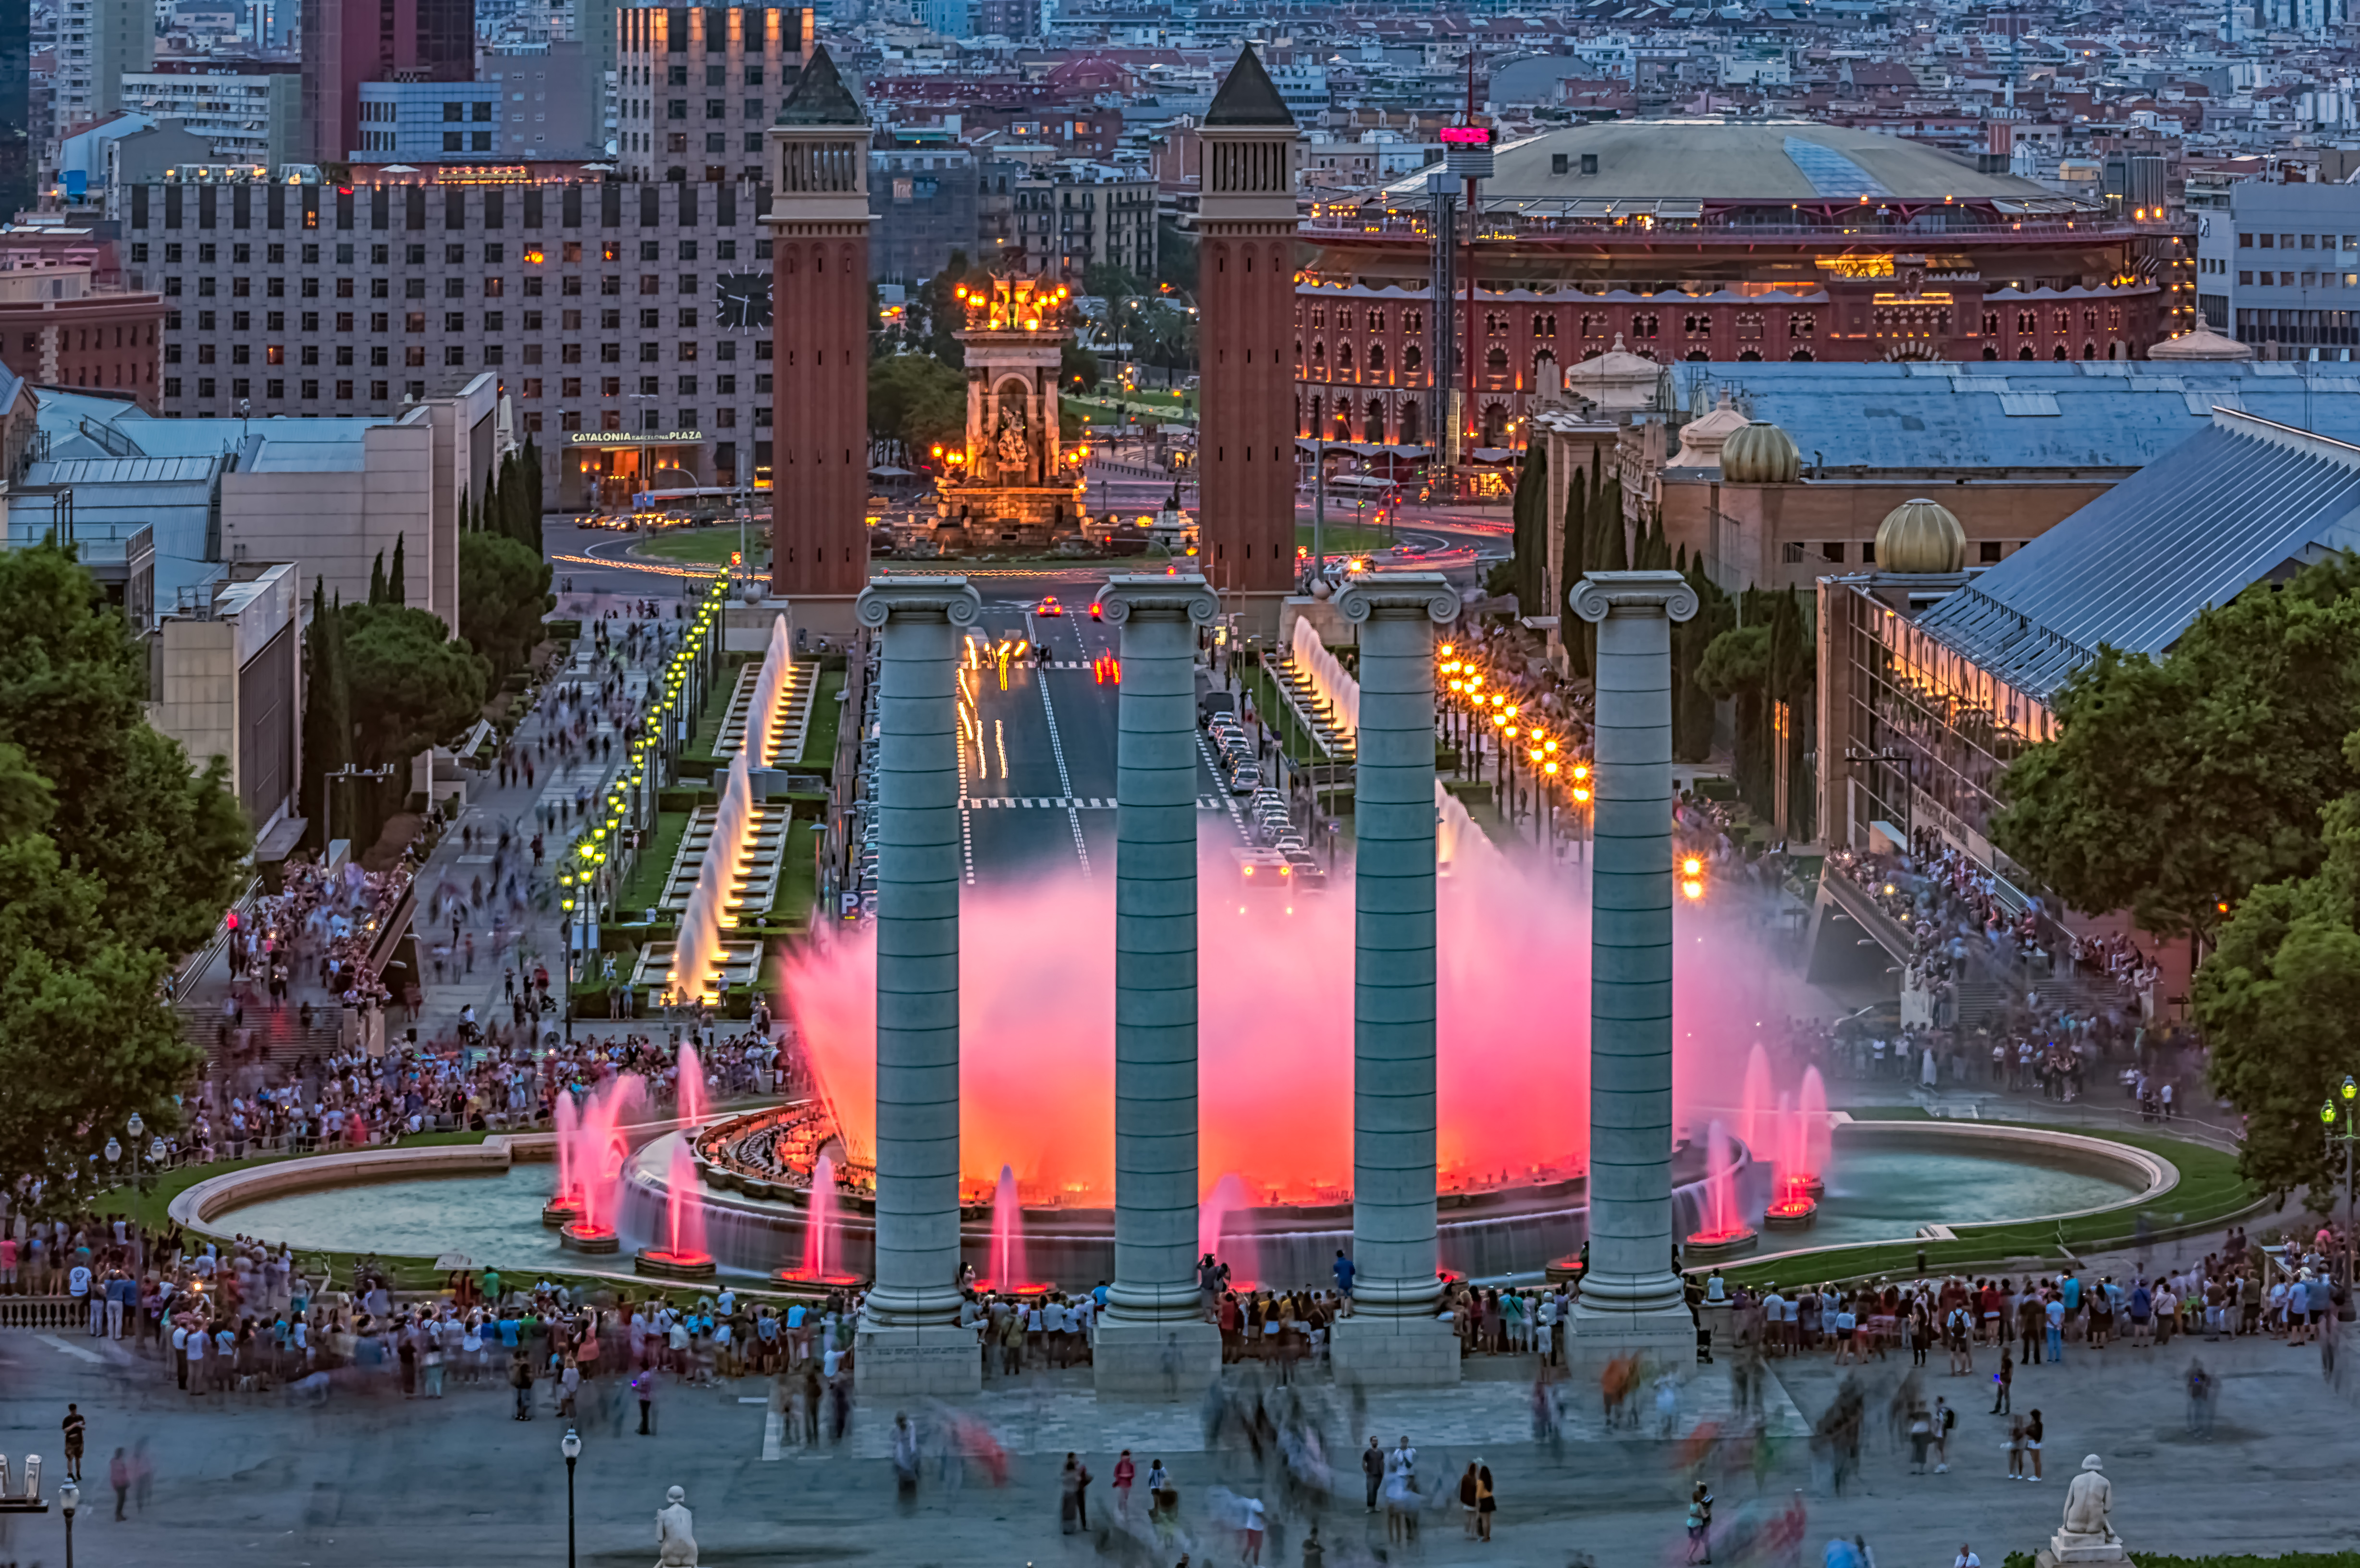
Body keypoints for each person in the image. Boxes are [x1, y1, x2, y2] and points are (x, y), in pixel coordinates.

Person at [61, 1403, 86, 1482]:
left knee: (78, 1457)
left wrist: (79, 1426)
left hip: (79, 1441)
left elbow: (84, 1427)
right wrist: (74, 1425)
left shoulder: (80, 1417)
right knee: (70, 1458)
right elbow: (65, 1430)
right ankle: (70, 1473)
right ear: (70, 1411)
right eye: (73, 1411)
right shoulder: (67, 1420)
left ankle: (78, 1473)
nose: (74, 1412)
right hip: (70, 1442)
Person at [1362, 1436, 1384, 1512]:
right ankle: (1369, 1507)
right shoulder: (1368, 1452)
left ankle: (1374, 1507)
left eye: (1376, 1441)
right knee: (1370, 1491)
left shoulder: (1380, 1452)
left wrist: (1382, 1473)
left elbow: (1382, 1463)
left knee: (1375, 1491)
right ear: (1371, 1442)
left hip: (1379, 1474)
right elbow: (1364, 1463)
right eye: (1374, 1441)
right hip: (1371, 1475)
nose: (1375, 1442)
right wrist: (1367, 1472)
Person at [109, 1446, 130, 1520]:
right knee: (121, 1500)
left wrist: (127, 1481)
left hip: (123, 1483)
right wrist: (114, 1483)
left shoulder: (120, 1461)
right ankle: (118, 1515)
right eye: (122, 1453)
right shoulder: (115, 1462)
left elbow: (125, 1473)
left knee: (123, 1499)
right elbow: (114, 1474)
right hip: (119, 1483)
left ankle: (120, 1514)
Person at [1114, 1449, 1136, 1519]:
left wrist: (1126, 1476)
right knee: (1121, 1498)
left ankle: (1124, 1511)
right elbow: (1116, 1474)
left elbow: (1133, 1475)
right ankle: (1121, 1511)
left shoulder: (1131, 1465)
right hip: (1121, 1484)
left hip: (1128, 1485)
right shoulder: (1119, 1465)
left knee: (1126, 1499)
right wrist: (1120, 1478)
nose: (1126, 1459)